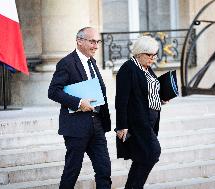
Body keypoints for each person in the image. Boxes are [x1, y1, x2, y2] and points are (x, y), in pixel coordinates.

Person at [48, 27, 112, 189]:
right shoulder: (66, 63)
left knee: (104, 169)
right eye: (92, 41)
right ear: (79, 41)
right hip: (76, 127)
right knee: (72, 170)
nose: (96, 46)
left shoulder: (92, 62)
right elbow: (53, 91)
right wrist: (78, 102)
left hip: (96, 125)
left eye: (98, 42)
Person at [115, 35, 164, 189]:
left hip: (151, 120)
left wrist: (161, 98)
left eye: (155, 55)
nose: (152, 58)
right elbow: (121, 100)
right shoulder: (128, 68)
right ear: (138, 53)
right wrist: (121, 126)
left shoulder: (147, 68)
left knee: (142, 157)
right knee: (153, 152)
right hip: (138, 121)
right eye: (149, 55)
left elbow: (147, 92)